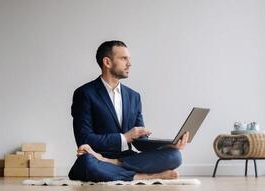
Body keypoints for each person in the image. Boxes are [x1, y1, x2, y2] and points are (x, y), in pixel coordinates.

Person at [68, 40, 189, 182]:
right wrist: (124, 138)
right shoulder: (85, 93)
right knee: (86, 163)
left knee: (174, 155)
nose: (129, 64)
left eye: (129, 59)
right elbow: (84, 139)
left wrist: (167, 145)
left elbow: (140, 141)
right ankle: (143, 176)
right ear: (107, 62)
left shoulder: (134, 97)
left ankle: (113, 164)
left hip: (126, 158)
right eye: (124, 58)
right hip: (95, 157)